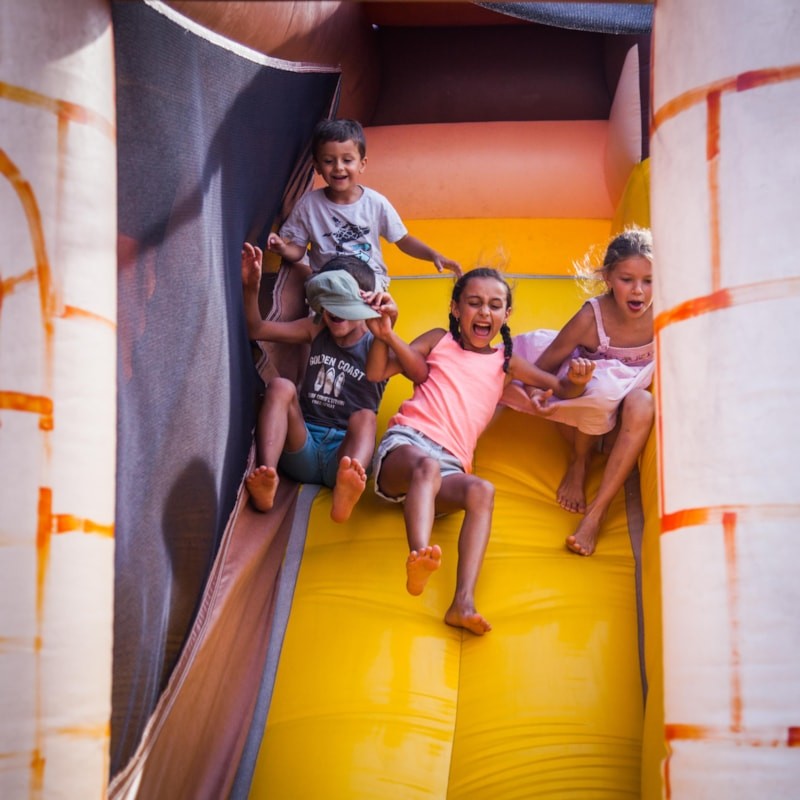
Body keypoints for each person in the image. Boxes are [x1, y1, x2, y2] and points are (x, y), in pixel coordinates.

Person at [365, 267, 595, 635]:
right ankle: (419, 555)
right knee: (427, 467)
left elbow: (561, 388)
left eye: (495, 305)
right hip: (406, 447)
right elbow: (377, 372)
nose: (485, 311)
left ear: (507, 314)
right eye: (474, 303)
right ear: (456, 309)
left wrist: (577, 381)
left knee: (482, 489)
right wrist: (385, 335)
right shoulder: (439, 340)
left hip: (450, 468)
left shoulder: (506, 363)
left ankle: (463, 603)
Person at [501, 226, 655, 556]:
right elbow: (544, 367)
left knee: (643, 402)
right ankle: (579, 461)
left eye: (648, 281)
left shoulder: (664, 314)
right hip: (583, 411)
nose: (638, 291)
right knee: (593, 383)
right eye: (627, 279)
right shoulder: (591, 317)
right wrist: (538, 395)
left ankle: (595, 515)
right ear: (608, 278)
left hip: (618, 428)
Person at [242, 242, 392, 523]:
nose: (334, 313)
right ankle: (267, 475)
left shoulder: (379, 343)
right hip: (304, 443)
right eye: (328, 304)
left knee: (365, 418)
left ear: (364, 303)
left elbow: (418, 370)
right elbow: (256, 329)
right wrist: (251, 288)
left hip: (343, 457)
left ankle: (345, 494)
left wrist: (388, 330)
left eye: (343, 304)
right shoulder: (316, 328)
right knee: (281, 386)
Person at [266, 118, 461, 290]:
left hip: (370, 280)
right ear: (317, 166)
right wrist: (282, 248)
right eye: (329, 161)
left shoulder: (375, 203)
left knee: (370, 303)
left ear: (362, 164)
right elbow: (298, 250)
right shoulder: (309, 205)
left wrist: (433, 255)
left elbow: (403, 240)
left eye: (347, 160)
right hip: (327, 281)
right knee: (326, 294)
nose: (338, 167)